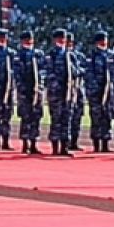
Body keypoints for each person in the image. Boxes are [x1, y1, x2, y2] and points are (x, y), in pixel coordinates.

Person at [44, 29, 74, 157]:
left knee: (66, 119)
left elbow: (78, 70)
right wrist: (55, 84)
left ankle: (64, 146)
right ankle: (55, 146)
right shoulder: (51, 55)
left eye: (64, 39)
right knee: (56, 118)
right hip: (55, 92)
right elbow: (47, 72)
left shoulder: (70, 55)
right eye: (60, 39)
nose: (62, 41)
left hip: (67, 92)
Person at [16, 31, 45, 155]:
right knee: (26, 116)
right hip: (25, 90)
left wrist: (39, 86)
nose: (29, 42)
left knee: (36, 116)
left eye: (31, 39)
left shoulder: (38, 54)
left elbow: (44, 70)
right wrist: (22, 87)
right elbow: (17, 74)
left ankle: (33, 143)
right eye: (27, 40)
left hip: (37, 90)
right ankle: (25, 143)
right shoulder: (19, 56)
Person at [85, 31, 113, 152]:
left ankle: (106, 144)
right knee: (96, 117)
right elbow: (89, 74)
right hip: (95, 92)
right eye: (102, 40)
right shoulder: (92, 56)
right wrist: (95, 90)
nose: (104, 42)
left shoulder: (111, 55)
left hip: (109, 92)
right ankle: (96, 144)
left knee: (107, 117)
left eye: (105, 40)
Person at [0, 29, 17, 151]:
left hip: (8, 88)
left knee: (7, 115)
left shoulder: (11, 53)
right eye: (1, 37)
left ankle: (5, 141)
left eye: (5, 38)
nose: (3, 40)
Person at [67, 32, 86, 151]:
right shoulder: (60, 56)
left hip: (78, 89)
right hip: (67, 90)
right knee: (66, 117)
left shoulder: (79, 56)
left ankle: (74, 141)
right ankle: (66, 142)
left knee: (77, 116)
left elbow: (84, 70)